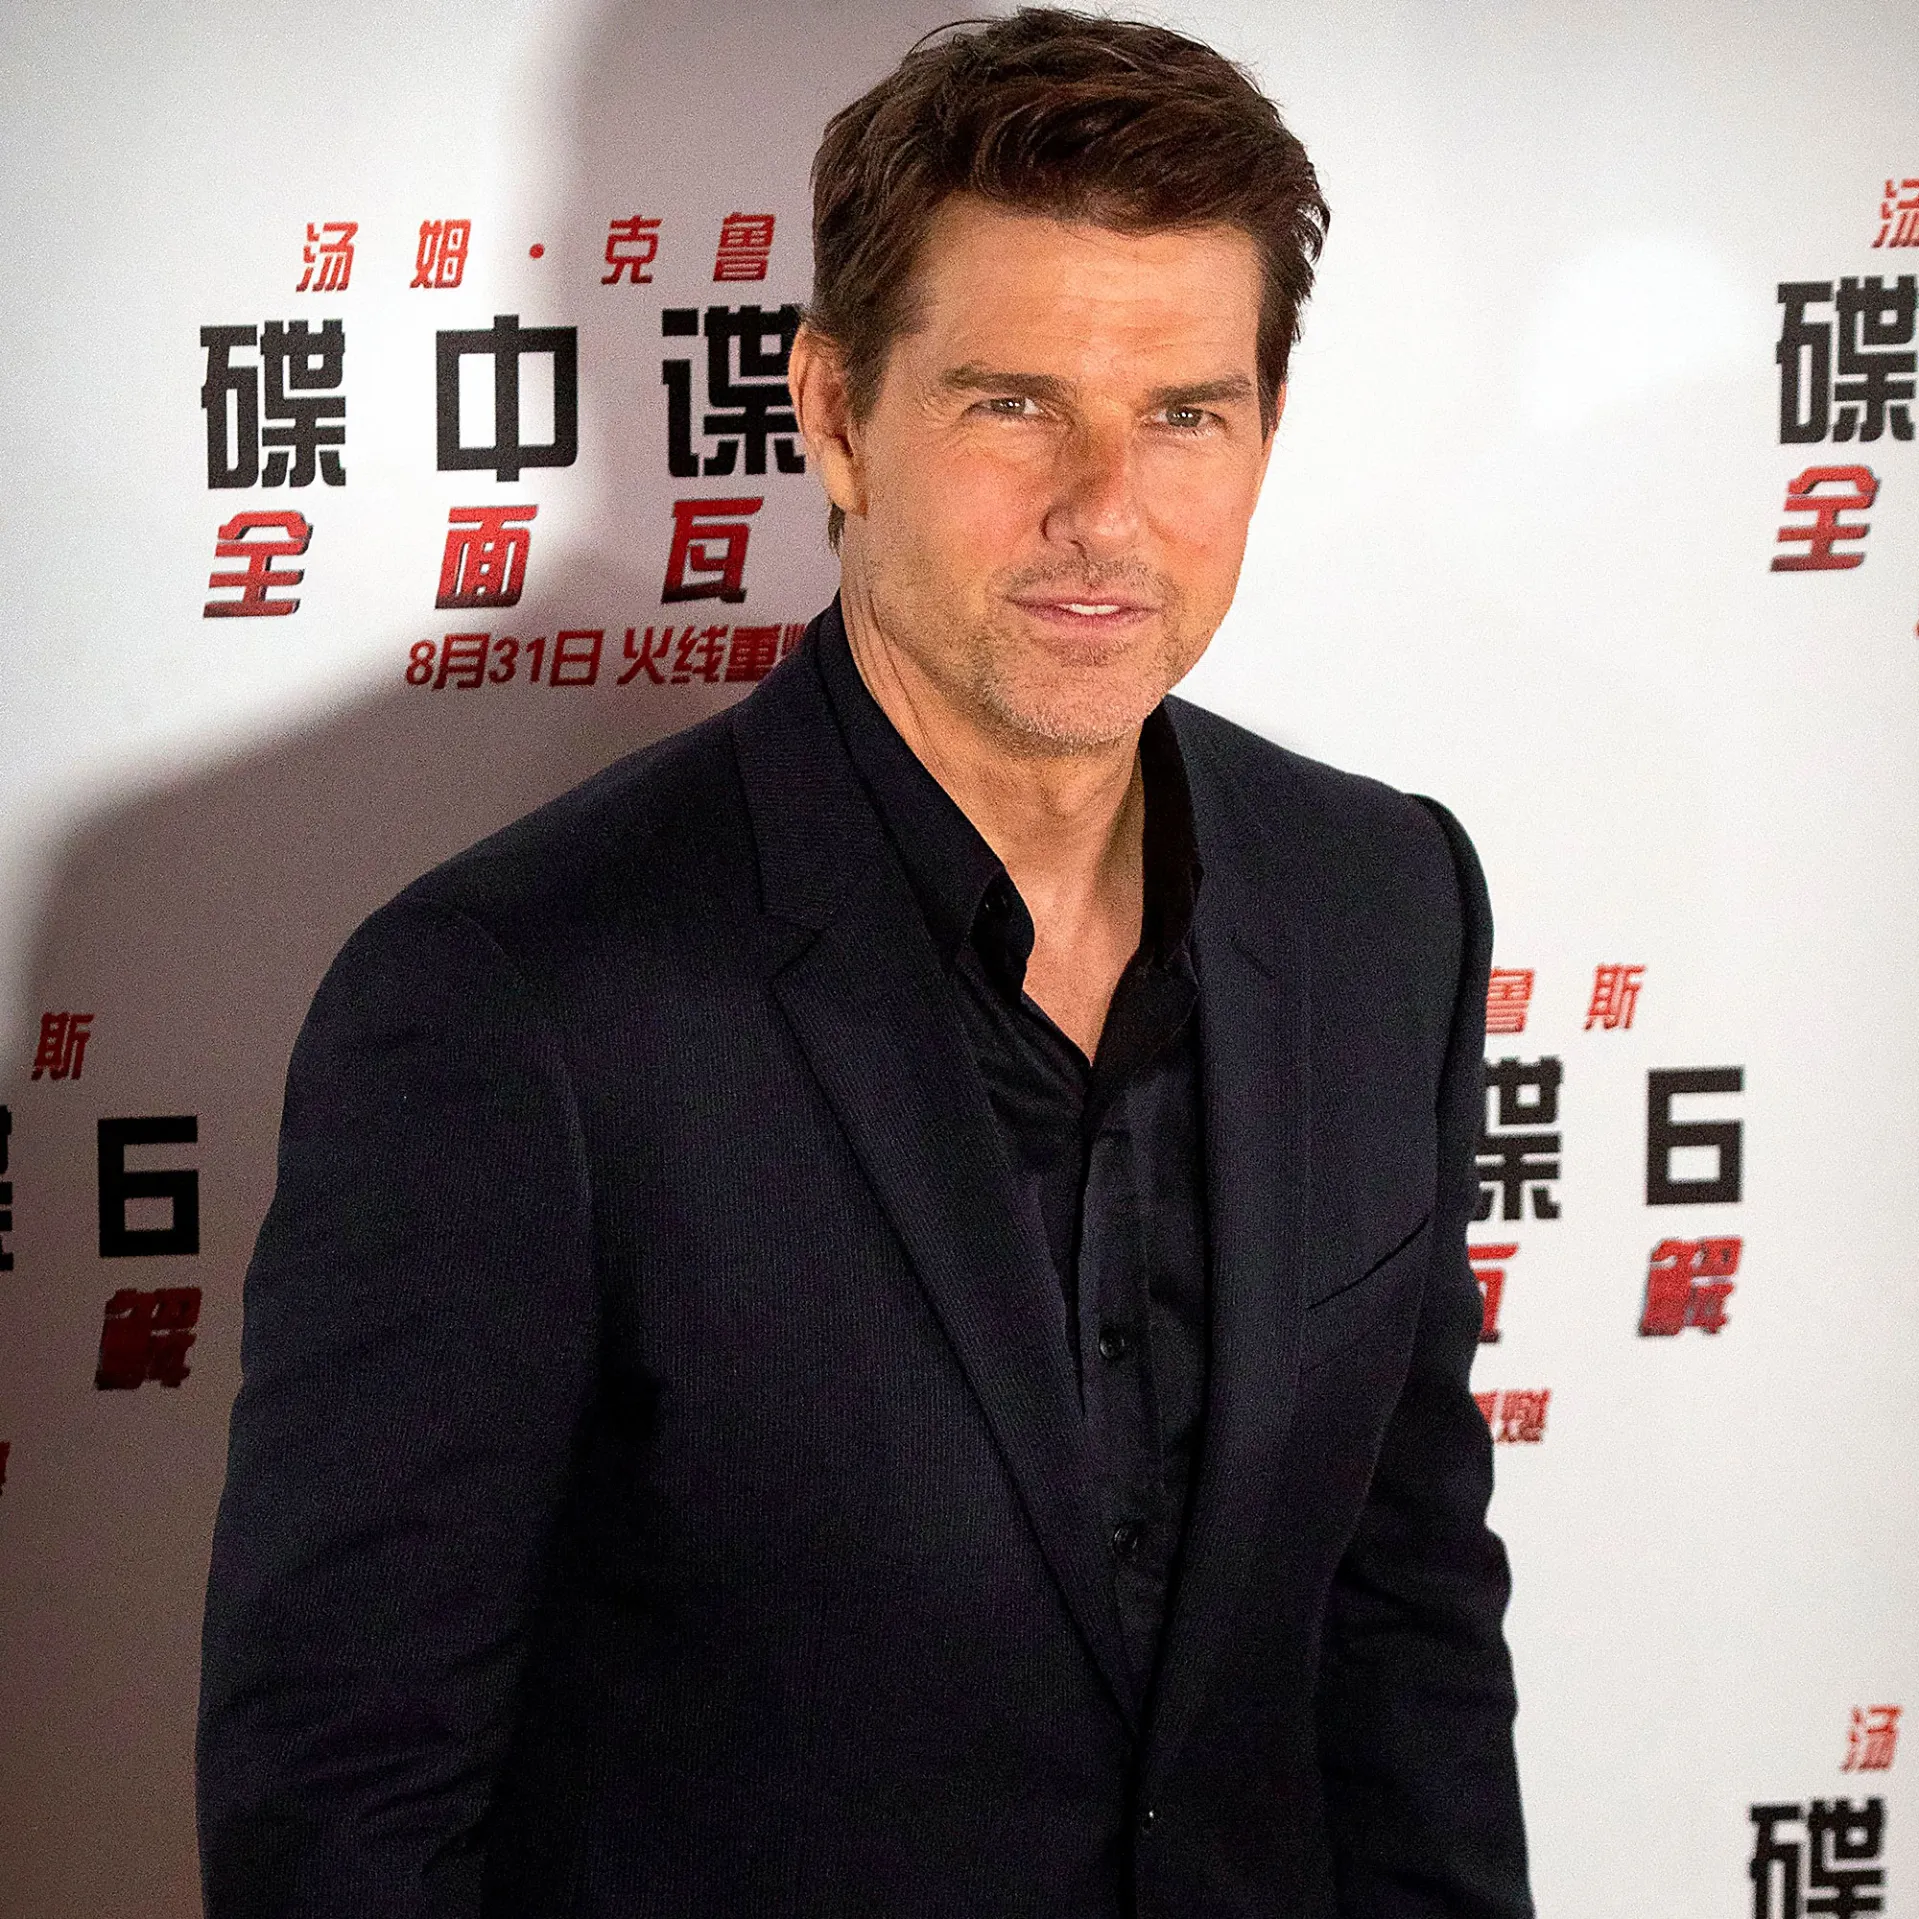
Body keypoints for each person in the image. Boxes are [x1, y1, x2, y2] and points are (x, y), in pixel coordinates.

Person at [197, 11, 1532, 1916]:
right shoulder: (514, 1002)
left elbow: (1406, 1630)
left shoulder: (1381, 901)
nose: (1103, 507)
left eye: (1183, 414)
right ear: (832, 410)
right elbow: (344, 1808)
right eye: (1014, 404)